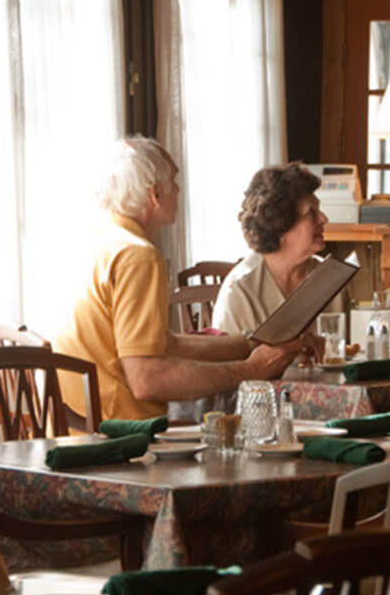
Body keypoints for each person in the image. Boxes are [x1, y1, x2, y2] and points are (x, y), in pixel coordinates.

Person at [52, 137, 319, 420]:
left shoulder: (98, 242)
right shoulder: (137, 255)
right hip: (121, 436)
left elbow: (165, 345)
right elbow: (147, 381)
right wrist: (250, 370)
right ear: (155, 194)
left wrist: (250, 344)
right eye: (175, 183)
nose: (179, 191)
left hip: (76, 432)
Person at [212, 163, 346, 337]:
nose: (324, 219)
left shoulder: (332, 279)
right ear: (280, 223)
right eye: (311, 213)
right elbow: (230, 362)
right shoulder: (240, 292)